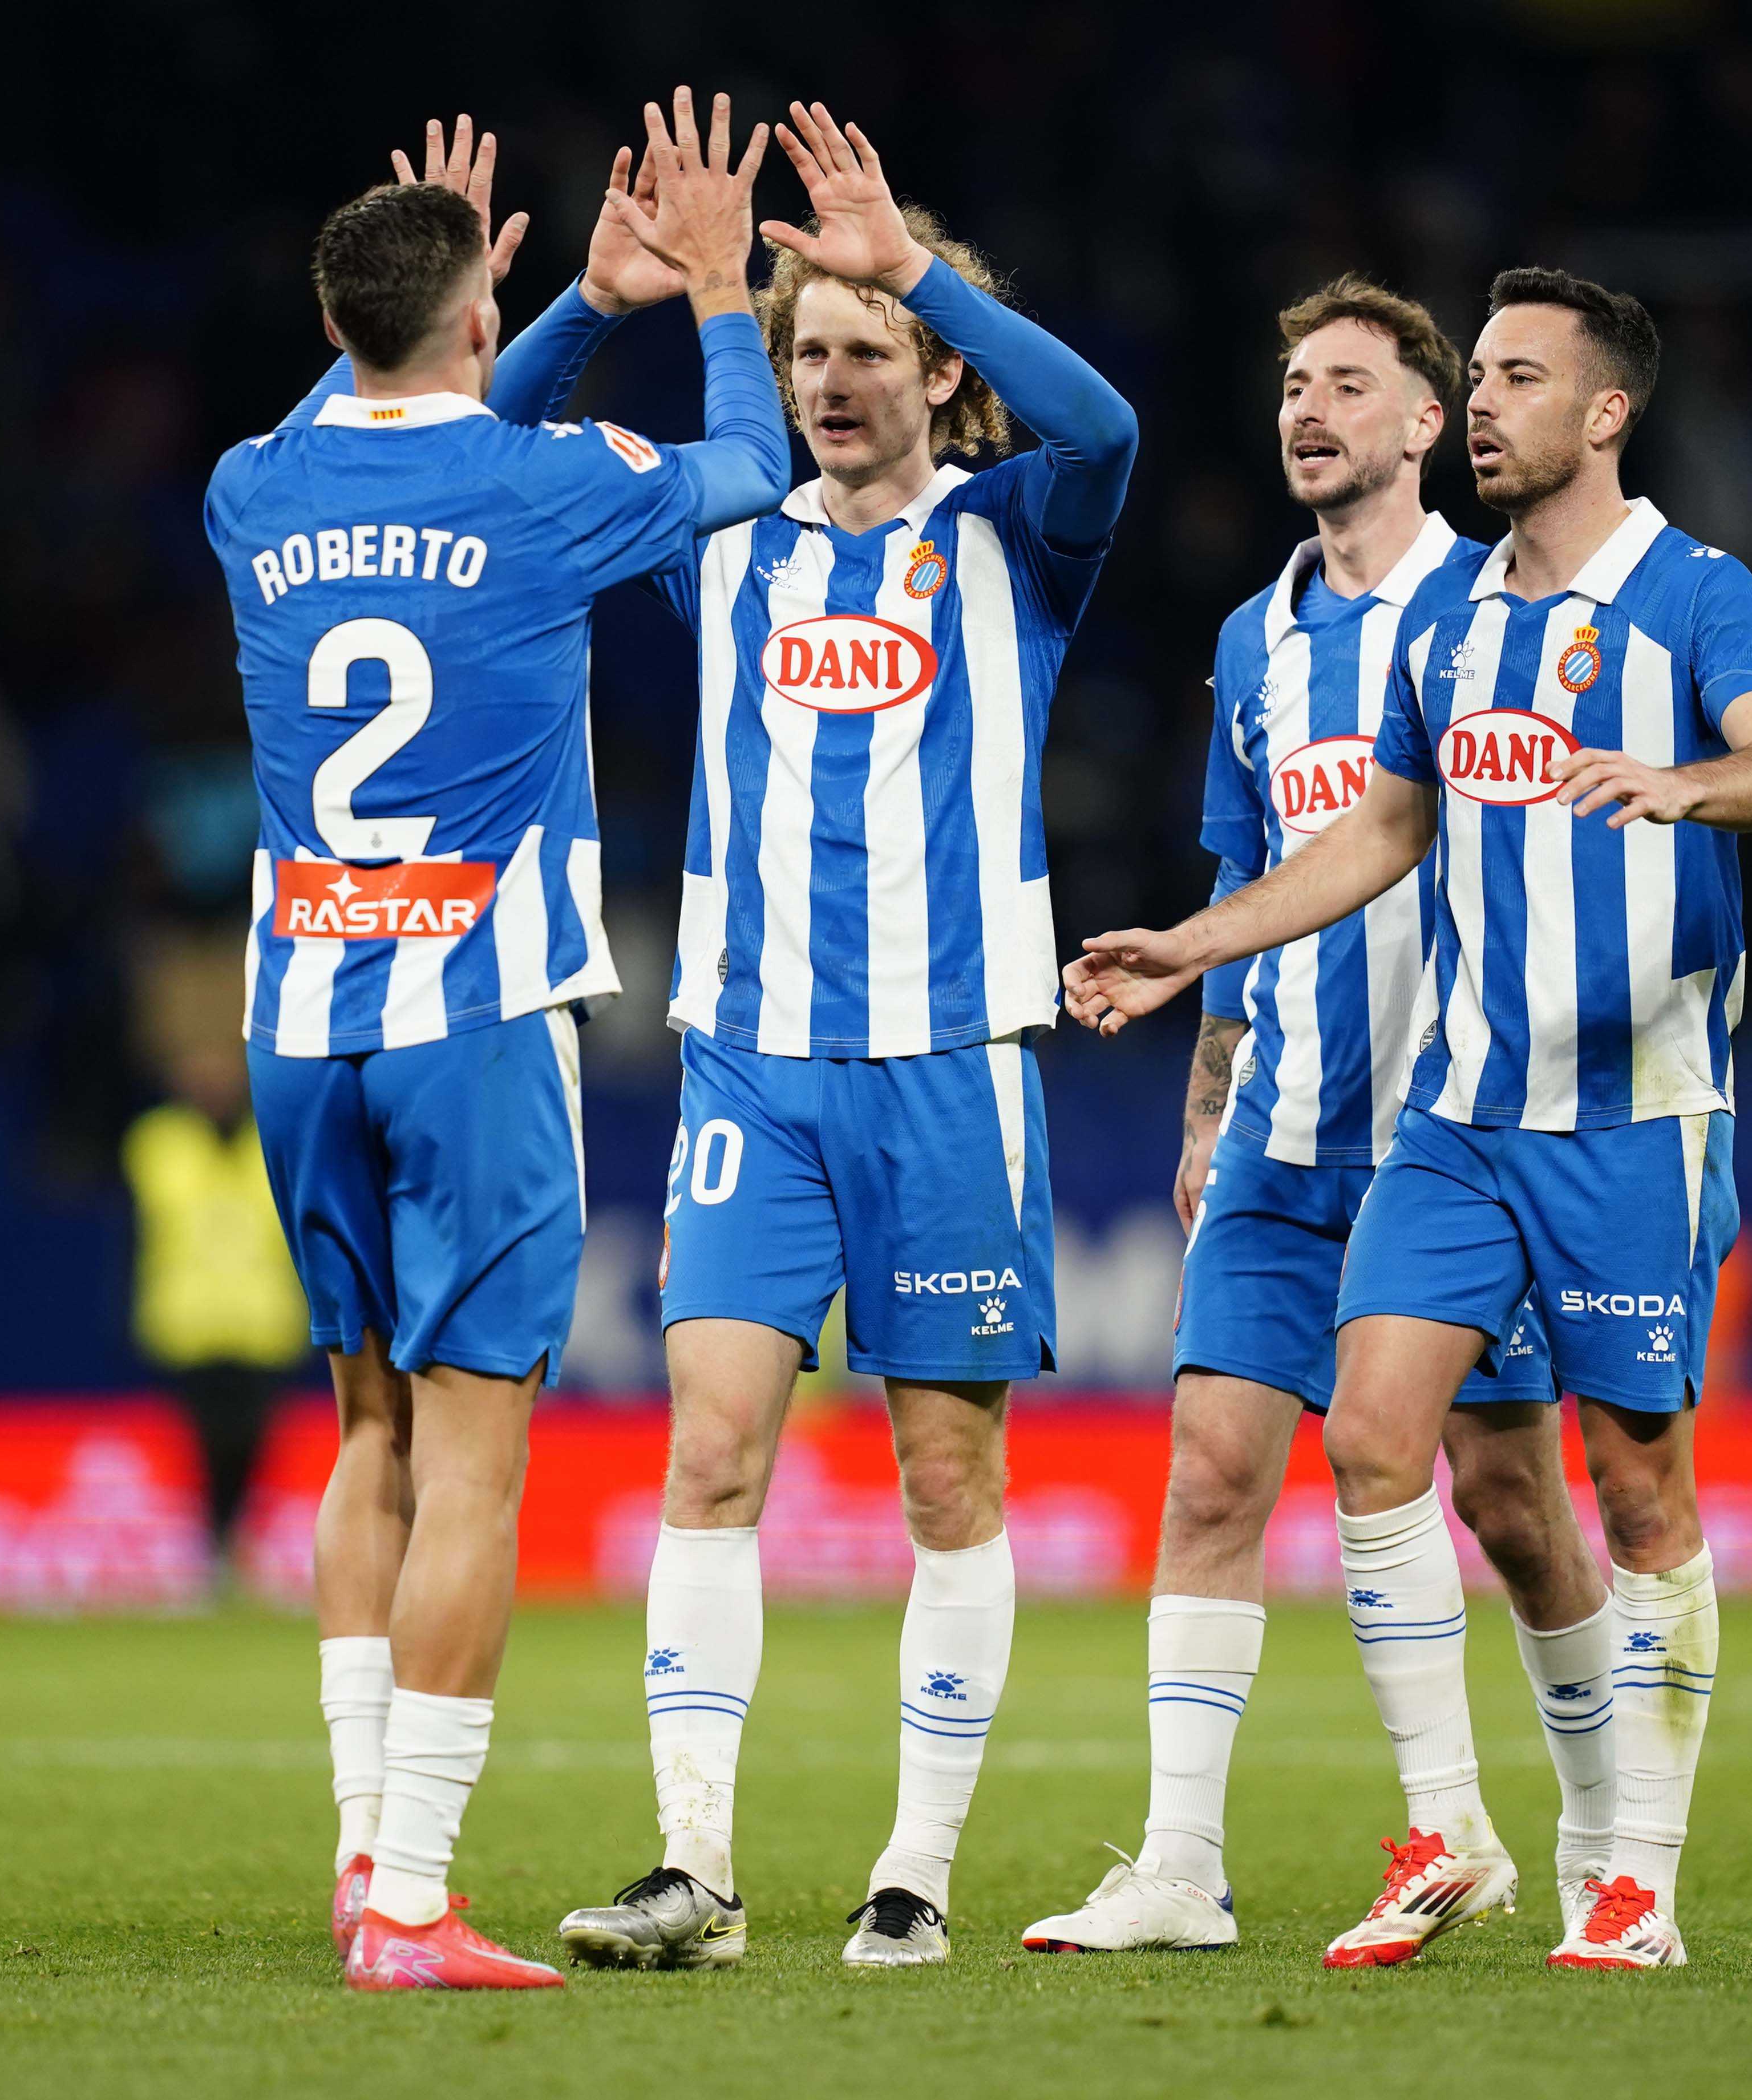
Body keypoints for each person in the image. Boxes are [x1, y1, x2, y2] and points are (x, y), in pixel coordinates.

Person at [1065, 268, 1752, 1971]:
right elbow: (1378, 830)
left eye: (1517, 377)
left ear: (1606, 412)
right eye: (1477, 374)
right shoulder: (1453, 622)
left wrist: (1682, 783)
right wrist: (1193, 945)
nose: (1484, 401)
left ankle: (1632, 1874)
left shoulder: (1695, 592)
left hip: (1630, 1117)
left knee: (1629, 1495)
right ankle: (1443, 1829)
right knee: (1366, 1437)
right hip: (1458, 1115)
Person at [204, 94, 791, 1990]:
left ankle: (360, 1847)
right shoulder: (547, 491)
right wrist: (703, 286)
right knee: (472, 1462)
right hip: (471, 1017)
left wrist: (532, 308)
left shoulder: (249, 488)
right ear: (475, 319)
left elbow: (383, 415)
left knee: (367, 1433)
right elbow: (751, 463)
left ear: (331, 323)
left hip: (300, 1017)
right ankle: (412, 1906)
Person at [552, 104, 1137, 1973]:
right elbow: (495, 456)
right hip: (750, 1062)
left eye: (864, 345)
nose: (825, 377)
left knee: (945, 1479)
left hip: (951, 1064)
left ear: (937, 370)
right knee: (711, 1452)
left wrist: (915, 269)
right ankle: (694, 1871)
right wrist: (612, 306)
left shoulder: (1011, 534)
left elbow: (1109, 433)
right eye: (802, 347)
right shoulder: (721, 531)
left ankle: (915, 1871)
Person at [1017, 278, 1614, 1959]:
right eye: (1293, 383)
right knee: (1212, 1473)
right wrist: (1205, 1101)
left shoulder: (1499, 611)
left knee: (1512, 1506)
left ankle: (1600, 1841)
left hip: (1454, 1138)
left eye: (1348, 384)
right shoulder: (1254, 638)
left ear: (1427, 423)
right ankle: (1180, 1868)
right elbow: (1246, 866)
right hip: (1280, 1129)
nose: (1307, 408)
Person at [122, 928, 307, 1565]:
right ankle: (214, 1546)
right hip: (188, 1321)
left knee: (253, 1442)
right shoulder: (158, 1141)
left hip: (261, 1321)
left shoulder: (272, 1140)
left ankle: (233, 1545)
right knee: (201, 1443)